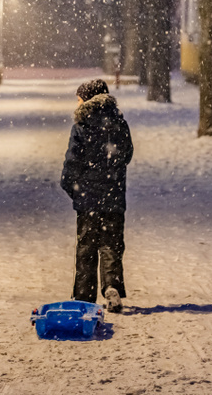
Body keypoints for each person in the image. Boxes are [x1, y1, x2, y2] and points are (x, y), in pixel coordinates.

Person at [60, 78, 133, 312]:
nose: (77, 102)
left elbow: (72, 161)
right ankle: (111, 286)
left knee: (87, 248)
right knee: (111, 245)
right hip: (114, 196)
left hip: (88, 198)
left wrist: (72, 187)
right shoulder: (119, 123)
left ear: (88, 99)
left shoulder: (81, 125)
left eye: (79, 97)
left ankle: (84, 295)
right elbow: (126, 154)